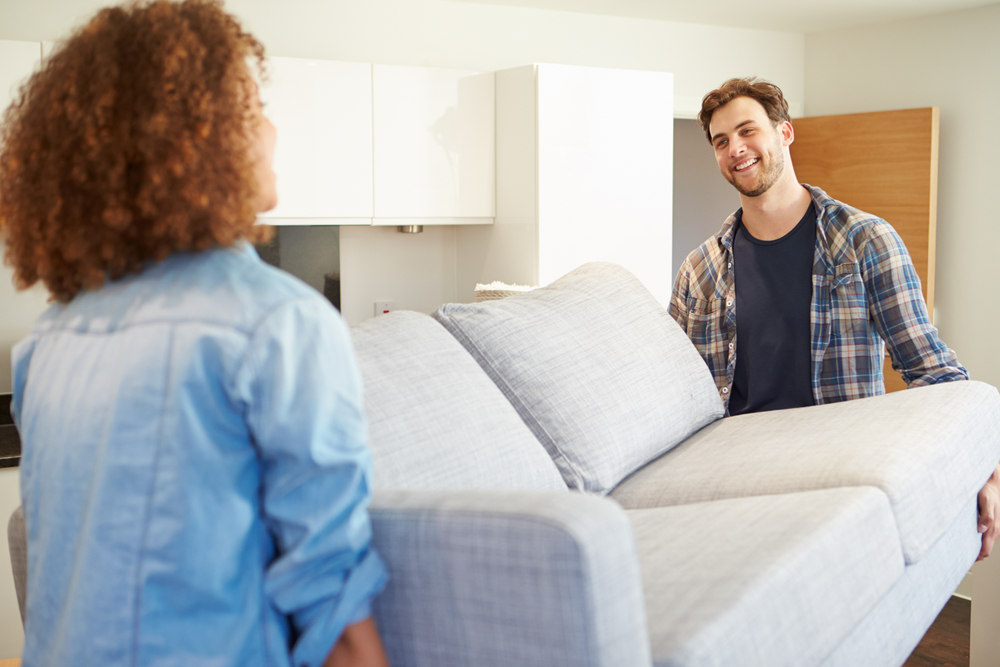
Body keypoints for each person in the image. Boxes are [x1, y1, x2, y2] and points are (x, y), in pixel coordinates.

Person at [0, 1, 390, 665]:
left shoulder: (48, 341)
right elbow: (338, 623)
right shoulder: (279, 323)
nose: (269, 127)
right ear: (193, 139)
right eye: (249, 106)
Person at [669, 76, 1000, 560]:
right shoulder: (699, 269)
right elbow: (677, 395)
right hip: (734, 480)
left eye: (747, 131)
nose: (735, 149)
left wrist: (985, 466)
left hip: (838, 470)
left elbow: (932, 370)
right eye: (722, 141)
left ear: (784, 133)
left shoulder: (866, 240)